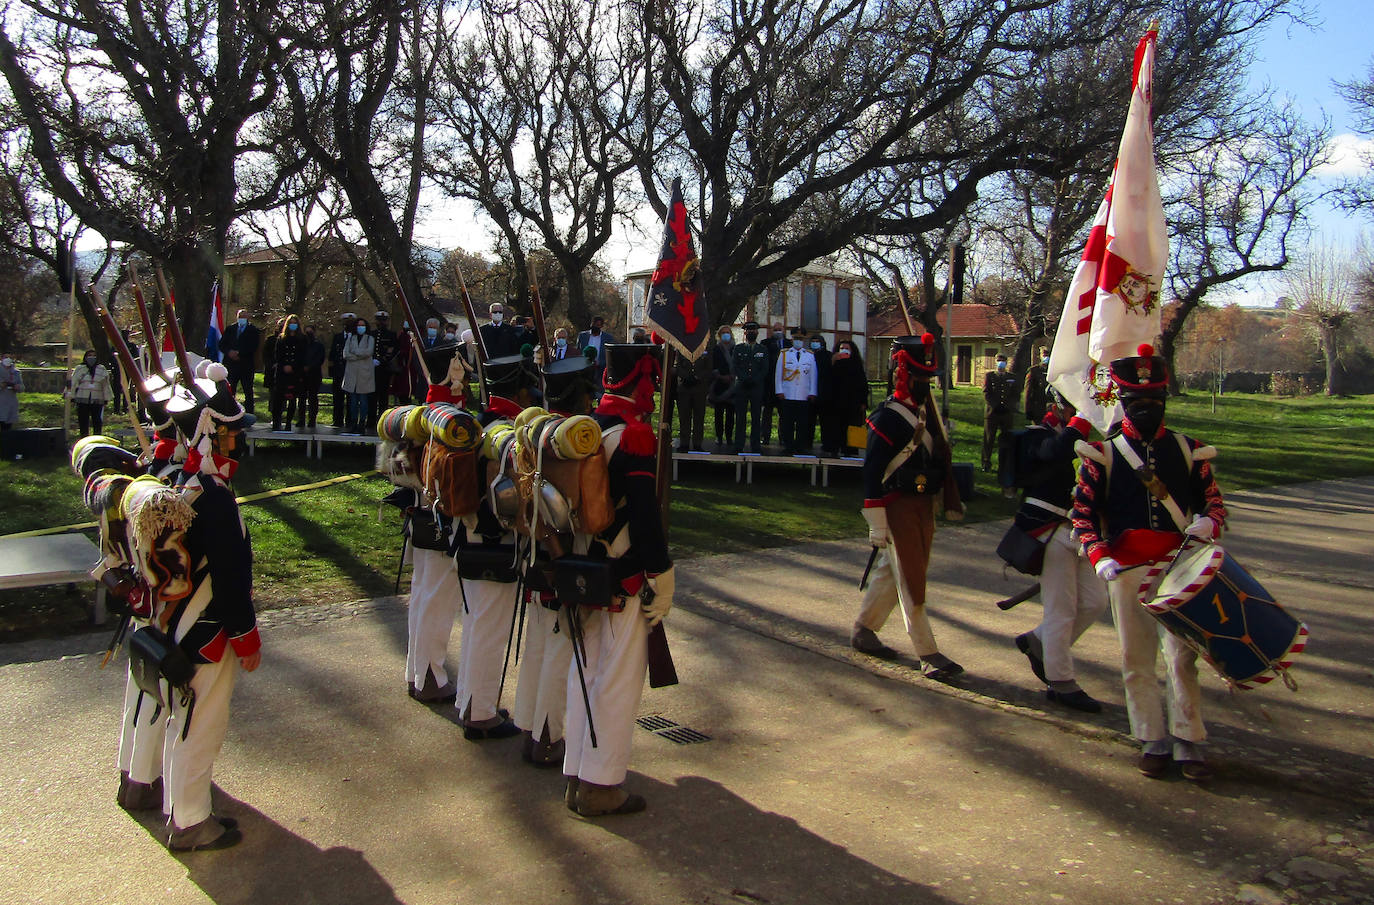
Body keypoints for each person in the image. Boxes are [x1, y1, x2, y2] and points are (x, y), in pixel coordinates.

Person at [1072, 343, 1227, 781]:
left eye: (1154, 402)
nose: (1146, 409)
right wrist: (1099, 555)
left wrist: (1208, 524)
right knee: (1135, 658)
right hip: (1125, 569)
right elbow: (1082, 513)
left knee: (1181, 658)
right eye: (1136, 402)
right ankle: (1151, 737)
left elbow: (1214, 504)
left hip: (1179, 566)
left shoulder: (1189, 450)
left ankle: (1189, 738)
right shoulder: (1101, 454)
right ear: (1121, 401)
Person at [563, 342, 674, 816]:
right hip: (625, 573)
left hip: (584, 568)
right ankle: (601, 785)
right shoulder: (633, 436)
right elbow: (646, 518)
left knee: (585, 672)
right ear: (641, 381)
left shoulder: (589, 429)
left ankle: (578, 771)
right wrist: (661, 572)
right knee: (617, 680)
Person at [159, 371, 261, 850]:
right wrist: (245, 633)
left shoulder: (185, 480)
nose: (237, 439)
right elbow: (230, 571)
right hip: (206, 628)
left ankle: (180, 808)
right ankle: (192, 822)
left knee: (184, 721)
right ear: (210, 433)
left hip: (179, 626)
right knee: (203, 726)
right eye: (230, 431)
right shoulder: (213, 496)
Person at [851, 334, 966, 679]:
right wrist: (877, 522)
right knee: (911, 580)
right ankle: (927, 652)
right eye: (919, 378)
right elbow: (872, 471)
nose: (924, 384)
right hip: (896, 506)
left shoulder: (925, 413)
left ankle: (864, 630)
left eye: (928, 378)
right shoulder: (887, 417)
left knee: (894, 572)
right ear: (902, 374)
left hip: (921, 504)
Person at [513, 352, 599, 767]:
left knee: (538, 647)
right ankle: (548, 736)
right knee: (559, 649)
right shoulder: (572, 441)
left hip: (539, 552)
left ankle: (531, 728)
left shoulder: (535, 432)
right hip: (563, 555)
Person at [451, 353, 539, 740]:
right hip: (495, 542)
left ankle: (470, 700)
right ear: (519, 391)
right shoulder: (505, 433)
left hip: (468, 537)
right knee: (489, 630)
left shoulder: (479, 423)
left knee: (476, 626)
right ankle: (481, 714)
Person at [1010, 387, 1106, 713]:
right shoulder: (1037, 435)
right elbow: (1055, 452)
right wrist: (1081, 420)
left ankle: (1038, 641)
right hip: (1051, 532)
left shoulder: (1085, 440)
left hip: (1082, 532)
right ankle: (1061, 682)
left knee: (1094, 602)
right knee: (1061, 611)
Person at [820, 340, 869, 456]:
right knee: (835, 427)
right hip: (835, 403)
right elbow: (826, 380)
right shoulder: (832, 363)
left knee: (851, 427)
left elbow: (863, 385)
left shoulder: (856, 364)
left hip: (852, 404)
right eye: (842, 348)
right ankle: (834, 449)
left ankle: (850, 451)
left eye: (847, 348)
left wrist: (863, 402)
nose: (844, 350)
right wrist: (832, 362)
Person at [774, 327, 817, 455]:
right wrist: (779, 390)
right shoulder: (784, 353)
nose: (798, 341)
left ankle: (800, 446)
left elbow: (813, 375)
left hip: (803, 394)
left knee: (802, 423)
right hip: (788, 393)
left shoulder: (809, 355)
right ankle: (788, 446)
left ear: (804, 340)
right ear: (792, 339)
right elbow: (778, 373)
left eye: (800, 339)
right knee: (787, 422)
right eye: (796, 338)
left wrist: (813, 392)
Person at [730, 321, 770, 454]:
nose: (751, 332)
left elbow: (765, 368)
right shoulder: (738, 348)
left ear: (757, 332)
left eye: (753, 330)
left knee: (756, 417)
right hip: (742, 386)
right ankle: (739, 444)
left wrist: (755, 379)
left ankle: (755, 445)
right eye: (749, 330)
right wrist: (744, 378)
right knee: (740, 417)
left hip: (756, 387)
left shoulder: (763, 349)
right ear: (745, 332)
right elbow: (735, 366)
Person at [982, 353, 1018, 472]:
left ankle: (1005, 463)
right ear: (996, 362)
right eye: (999, 360)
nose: (1001, 363)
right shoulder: (990, 376)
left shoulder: (1011, 377)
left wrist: (1008, 406)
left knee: (1007, 439)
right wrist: (995, 406)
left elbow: (1015, 395)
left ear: (1006, 362)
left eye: (1003, 360)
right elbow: (986, 393)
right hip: (992, 413)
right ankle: (986, 462)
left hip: (1006, 413)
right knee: (989, 438)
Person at [219, 309, 260, 413]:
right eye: (240, 317)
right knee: (230, 390)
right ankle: (229, 412)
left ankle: (249, 413)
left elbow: (254, 346)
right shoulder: (230, 329)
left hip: (246, 366)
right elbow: (222, 344)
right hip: (231, 365)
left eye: (244, 317)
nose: (242, 319)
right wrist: (229, 352)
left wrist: (239, 353)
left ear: (248, 318)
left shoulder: (253, 330)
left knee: (248, 391)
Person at [269, 315, 304, 431]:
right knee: (278, 398)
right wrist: (284, 365)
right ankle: (277, 422)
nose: (293, 325)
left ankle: (288, 423)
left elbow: (302, 356)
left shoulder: (302, 339)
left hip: (295, 373)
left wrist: (293, 367)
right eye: (291, 323)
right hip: (282, 373)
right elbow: (277, 354)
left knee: (292, 398)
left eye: (295, 323)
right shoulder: (281, 338)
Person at [341, 316, 376, 434]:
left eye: (363, 325)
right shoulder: (351, 338)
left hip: (365, 374)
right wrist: (358, 355)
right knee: (353, 401)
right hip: (352, 372)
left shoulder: (370, 338)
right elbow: (345, 354)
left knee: (363, 400)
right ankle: (353, 422)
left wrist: (355, 353)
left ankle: (362, 422)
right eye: (359, 325)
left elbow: (368, 352)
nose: (361, 327)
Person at [68, 350, 113, 436]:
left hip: (97, 399)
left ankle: (96, 438)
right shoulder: (80, 369)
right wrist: (72, 396)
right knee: (83, 420)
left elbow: (106, 385)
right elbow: (73, 383)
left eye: (94, 355)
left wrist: (106, 398)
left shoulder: (102, 369)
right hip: (82, 399)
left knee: (97, 420)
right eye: (90, 355)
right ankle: (84, 437)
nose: (92, 357)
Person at [674, 347, 710, 452]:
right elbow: (678, 366)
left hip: (699, 388)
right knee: (684, 416)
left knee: (699, 416)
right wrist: (686, 377)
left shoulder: (705, 348)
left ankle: (697, 443)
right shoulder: (681, 348)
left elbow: (708, 367)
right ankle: (684, 443)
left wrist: (697, 377)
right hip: (684, 388)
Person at [803, 333, 831, 454]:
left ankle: (826, 444)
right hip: (809, 393)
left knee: (825, 421)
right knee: (809, 420)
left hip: (824, 393)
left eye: (817, 341)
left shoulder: (828, 356)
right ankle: (807, 442)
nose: (815, 343)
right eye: (813, 341)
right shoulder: (807, 355)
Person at [708, 330, 736, 450]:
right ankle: (719, 436)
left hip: (732, 384)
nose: (726, 335)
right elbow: (713, 365)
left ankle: (729, 437)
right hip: (719, 383)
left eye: (728, 332)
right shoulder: (716, 349)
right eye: (723, 333)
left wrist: (732, 376)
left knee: (730, 414)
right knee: (718, 413)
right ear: (719, 335)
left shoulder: (735, 348)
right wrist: (720, 376)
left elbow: (738, 364)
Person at [760, 321, 787, 446]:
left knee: (783, 414)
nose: (777, 331)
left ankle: (783, 437)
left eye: (779, 329)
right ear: (771, 331)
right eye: (775, 329)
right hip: (769, 384)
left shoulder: (789, 344)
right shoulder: (765, 344)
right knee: (767, 413)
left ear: (783, 330)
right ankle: (765, 437)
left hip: (784, 385)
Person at [576, 316, 617, 396]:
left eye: (598, 325)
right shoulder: (582, 336)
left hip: (600, 370)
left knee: (599, 393)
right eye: (594, 324)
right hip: (585, 369)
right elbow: (578, 351)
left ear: (601, 326)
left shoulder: (608, 338)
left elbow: (611, 354)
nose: (596, 327)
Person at [370, 310, 397, 425]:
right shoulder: (372, 334)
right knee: (371, 397)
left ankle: (381, 421)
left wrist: (382, 360)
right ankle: (370, 421)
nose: (381, 323)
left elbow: (393, 351)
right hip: (371, 370)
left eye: (383, 320)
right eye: (379, 320)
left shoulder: (391, 335)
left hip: (385, 369)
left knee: (383, 397)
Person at [297, 324, 326, 429]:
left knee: (313, 398)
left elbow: (320, 359)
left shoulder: (319, 345)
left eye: (310, 332)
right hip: (302, 375)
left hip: (314, 375)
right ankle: (301, 419)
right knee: (301, 399)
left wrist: (310, 366)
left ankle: (312, 419)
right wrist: (302, 368)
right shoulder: (301, 345)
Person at [329, 313, 355, 428]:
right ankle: (337, 420)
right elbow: (332, 355)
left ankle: (350, 420)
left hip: (352, 372)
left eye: (350, 322)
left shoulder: (356, 338)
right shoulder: (337, 337)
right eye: (345, 322)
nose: (347, 325)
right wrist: (332, 372)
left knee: (351, 399)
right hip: (339, 372)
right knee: (338, 397)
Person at [1024, 347, 1051, 424]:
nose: (1046, 357)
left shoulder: (1053, 370)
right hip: (1038, 409)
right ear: (1040, 356)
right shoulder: (1034, 371)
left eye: (1048, 355)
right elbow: (1028, 392)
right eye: (1044, 355)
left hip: (1052, 410)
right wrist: (1028, 410)